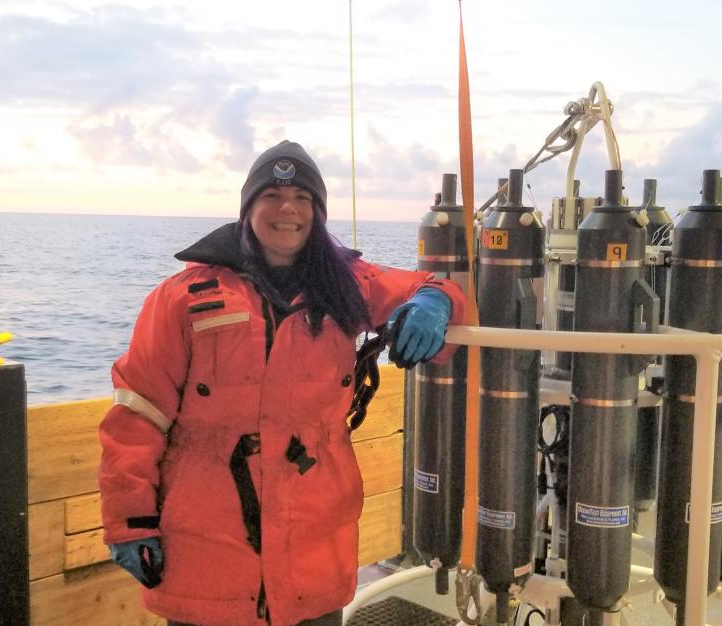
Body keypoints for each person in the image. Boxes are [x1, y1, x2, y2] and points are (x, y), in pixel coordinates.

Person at [98, 140, 466, 626]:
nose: (287, 208)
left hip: (314, 543)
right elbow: (137, 414)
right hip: (207, 552)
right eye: (271, 195)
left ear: (317, 212)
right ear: (249, 207)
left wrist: (435, 303)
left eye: (302, 197)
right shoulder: (184, 297)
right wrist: (129, 522)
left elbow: (435, 287)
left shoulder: (346, 283)